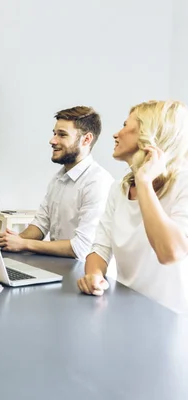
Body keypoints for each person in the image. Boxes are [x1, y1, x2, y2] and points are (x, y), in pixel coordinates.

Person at [78, 100, 188, 313]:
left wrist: (144, 182)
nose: (116, 134)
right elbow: (99, 248)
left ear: (148, 135)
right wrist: (94, 275)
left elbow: (171, 253)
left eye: (125, 126)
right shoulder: (118, 189)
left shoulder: (183, 184)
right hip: (127, 310)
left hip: (175, 321)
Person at [0, 106, 113, 260]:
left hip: (83, 273)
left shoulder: (98, 182)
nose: (52, 141)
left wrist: (23, 244)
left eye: (62, 135)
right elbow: (40, 224)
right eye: (54, 133)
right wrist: (9, 242)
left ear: (86, 139)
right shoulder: (58, 178)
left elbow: (81, 248)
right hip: (58, 265)